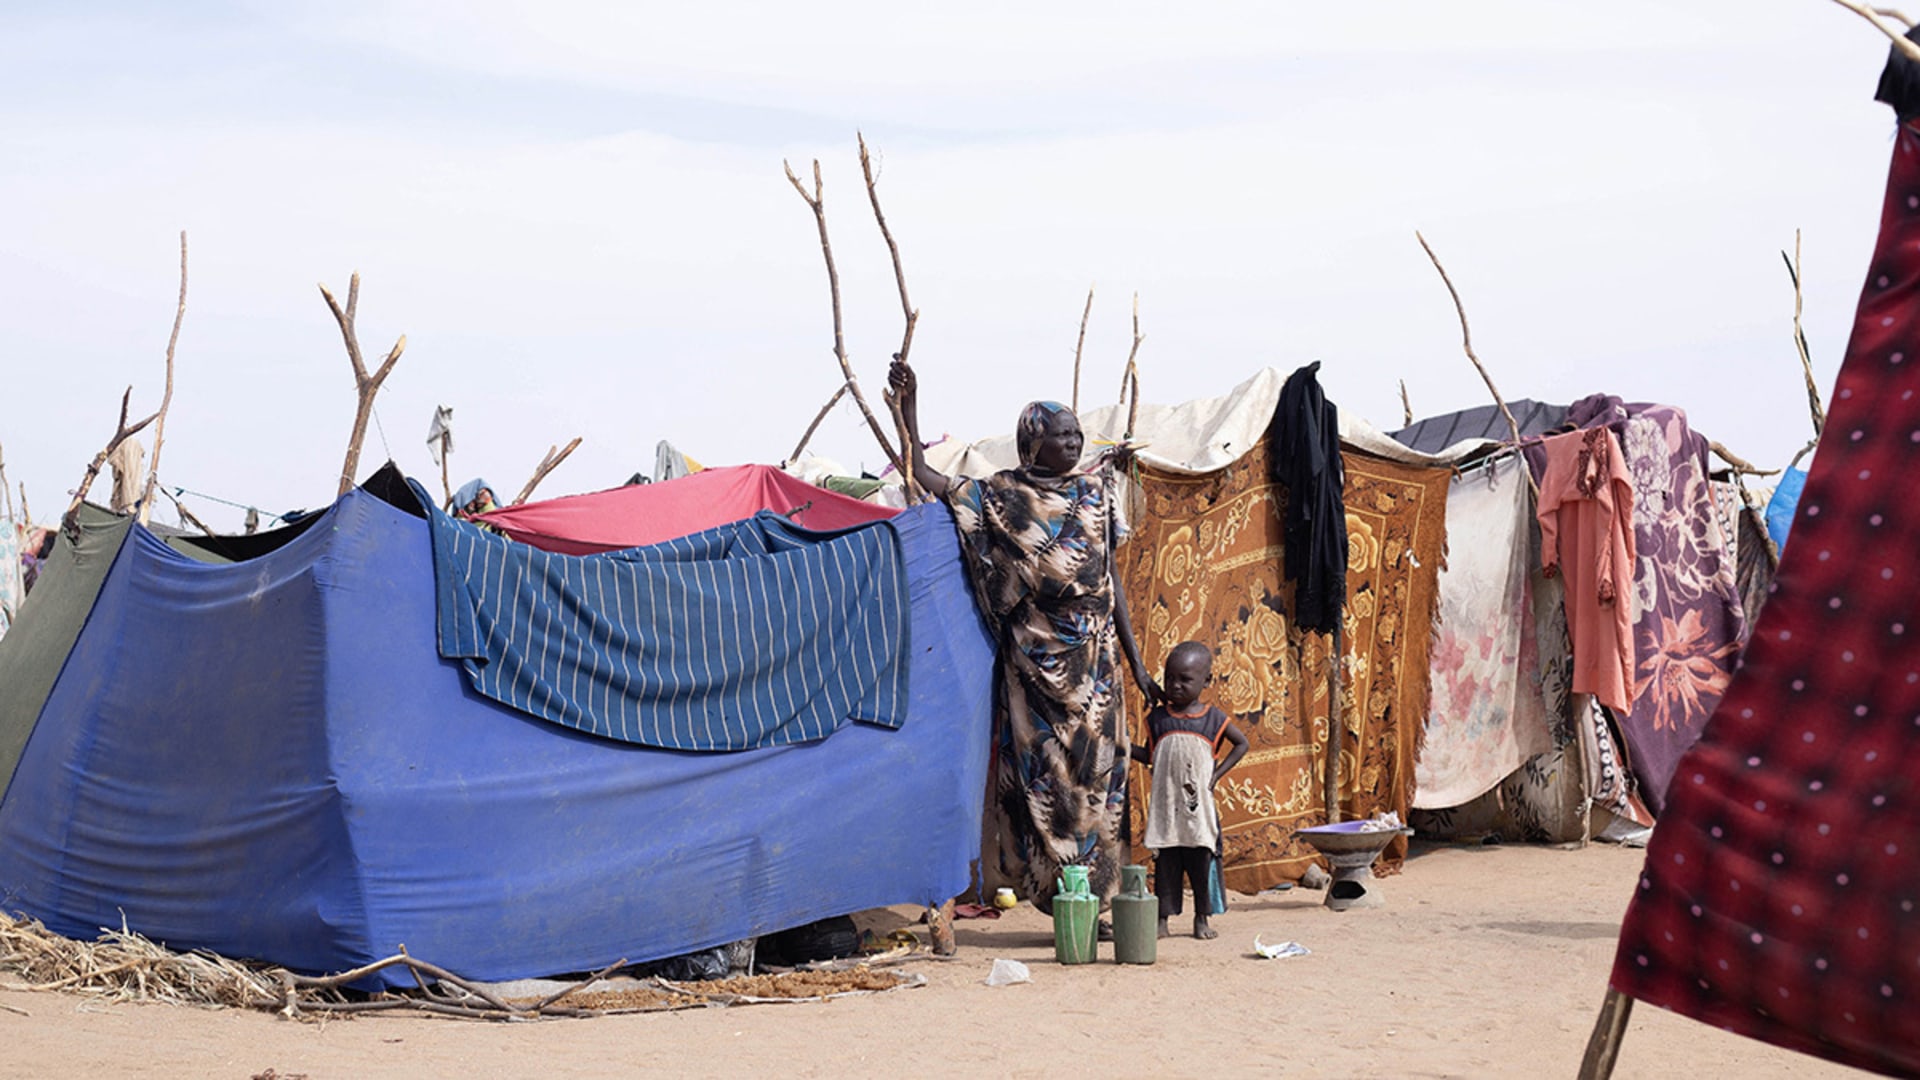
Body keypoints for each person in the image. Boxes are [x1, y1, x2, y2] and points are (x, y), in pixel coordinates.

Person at [889, 358, 1159, 910]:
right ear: (1033, 443)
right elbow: (924, 474)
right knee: (1047, 780)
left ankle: (1102, 898)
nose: (1074, 443)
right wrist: (908, 408)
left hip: (1097, 664)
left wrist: (1135, 664)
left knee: (1102, 780)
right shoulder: (1001, 495)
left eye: (1076, 434)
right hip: (1036, 662)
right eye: (1062, 435)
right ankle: (1063, 897)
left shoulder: (1097, 493)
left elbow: (1110, 581)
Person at [1129, 641, 1248, 939]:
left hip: (1198, 813)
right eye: (1169, 678)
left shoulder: (1214, 720)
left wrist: (1216, 775)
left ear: (1206, 681)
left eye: (1185, 679)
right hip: (1168, 811)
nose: (1175, 685)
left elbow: (1242, 743)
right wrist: (1123, 745)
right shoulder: (1158, 719)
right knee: (1166, 866)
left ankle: (1202, 919)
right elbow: (1150, 756)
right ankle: (1162, 921)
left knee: (1200, 866)